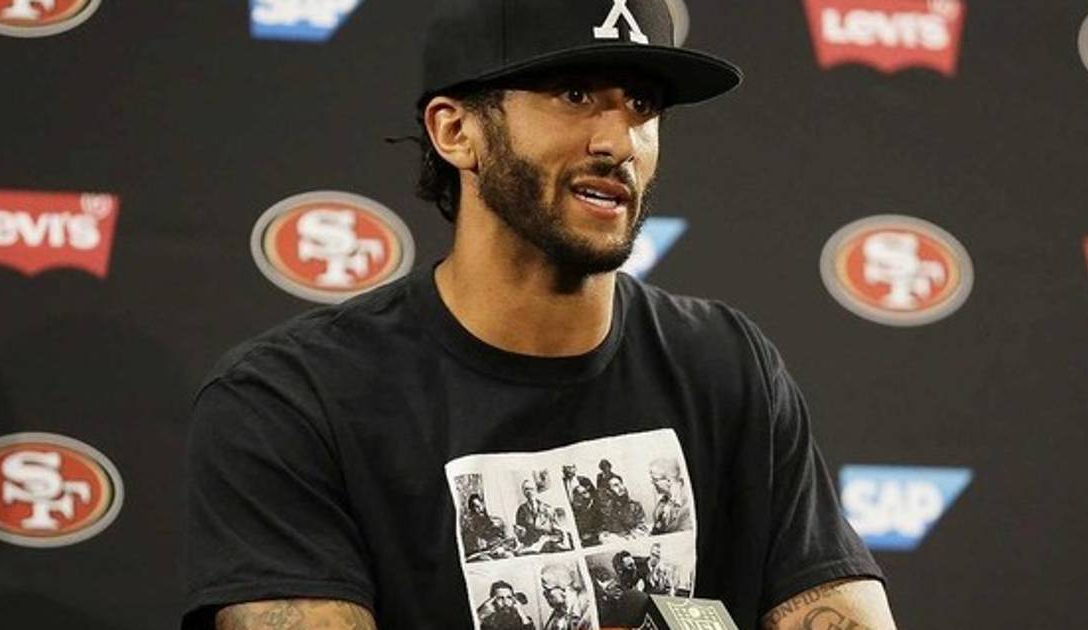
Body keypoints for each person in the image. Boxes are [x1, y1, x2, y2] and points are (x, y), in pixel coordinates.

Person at [183, 1, 896, 628]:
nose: (618, 142)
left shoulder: (729, 365)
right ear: (456, 130)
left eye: (642, 104)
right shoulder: (291, 400)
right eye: (575, 94)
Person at [540, 563, 593, 630]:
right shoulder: (557, 615)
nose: (544, 594)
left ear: (564, 589)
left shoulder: (589, 613)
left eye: (547, 589)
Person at [647, 457, 692, 535]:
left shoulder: (687, 503)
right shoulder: (663, 502)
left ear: (669, 480)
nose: (652, 483)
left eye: (655, 479)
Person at [461, 493, 512, 561]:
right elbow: (469, 551)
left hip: (500, 553)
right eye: (474, 508)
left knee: (509, 556)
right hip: (483, 556)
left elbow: (510, 540)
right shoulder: (470, 529)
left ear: (483, 505)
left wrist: (502, 548)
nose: (478, 510)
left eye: (478, 506)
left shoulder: (498, 522)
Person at [598, 474, 648, 541]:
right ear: (609, 491)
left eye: (621, 484)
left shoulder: (635, 506)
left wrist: (629, 537)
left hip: (635, 540)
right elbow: (605, 532)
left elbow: (643, 528)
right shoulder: (607, 512)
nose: (621, 487)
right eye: (616, 485)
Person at [570, 477, 601, 547]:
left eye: (584, 493)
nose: (582, 496)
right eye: (578, 494)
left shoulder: (596, 507)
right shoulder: (575, 511)